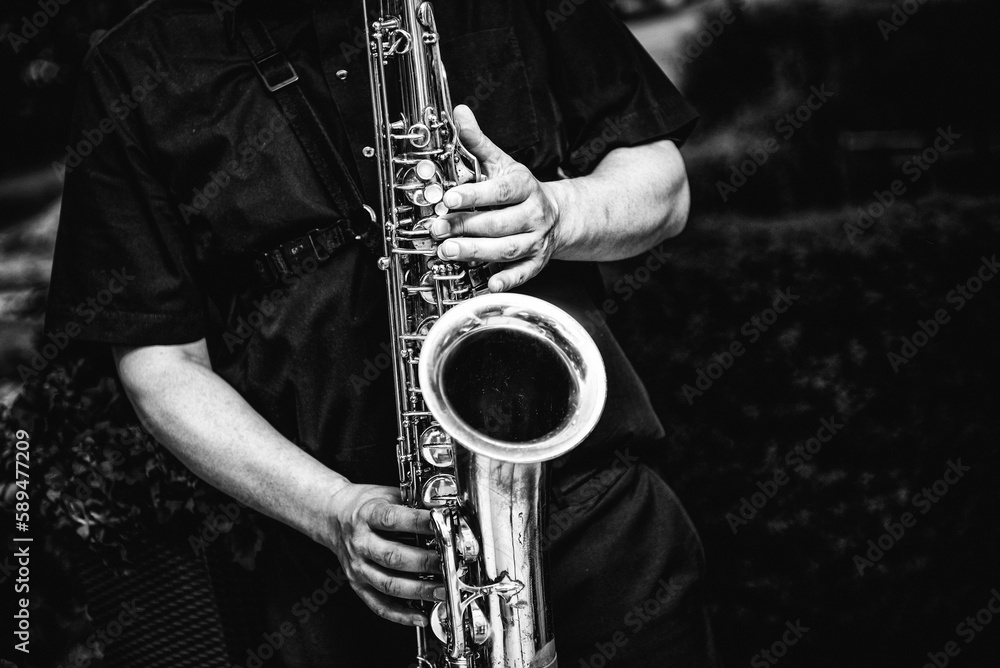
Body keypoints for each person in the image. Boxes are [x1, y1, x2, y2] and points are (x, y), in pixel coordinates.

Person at [45, 0, 717, 665]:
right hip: (348, 577)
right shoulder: (135, 65)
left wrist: (561, 213)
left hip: (601, 524)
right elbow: (160, 366)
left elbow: (663, 186)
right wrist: (334, 511)